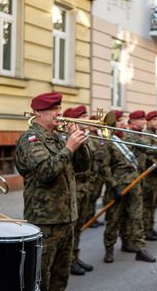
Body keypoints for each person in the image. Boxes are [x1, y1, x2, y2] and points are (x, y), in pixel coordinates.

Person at [14, 92, 88, 291]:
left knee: (60, 278)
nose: (59, 113)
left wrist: (80, 144)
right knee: (40, 279)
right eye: (53, 109)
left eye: (59, 108)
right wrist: (69, 148)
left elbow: (83, 166)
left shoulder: (57, 138)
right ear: (38, 112)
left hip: (66, 217)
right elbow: (45, 172)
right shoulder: (30, 139)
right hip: (45, 221)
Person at [96, 110, 156, 263]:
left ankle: (140, 248)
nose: (122, 123)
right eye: (118, 121)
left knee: (136, 216)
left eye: (122, 120)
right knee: (114, 219)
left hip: (134, 183)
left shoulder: (127, 137)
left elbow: (143, 149)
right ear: (111, 123)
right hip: (118, 186)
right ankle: (109, 250)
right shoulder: (106, 141)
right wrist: (113, 186)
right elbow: (104, 167)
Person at [67, 105, 95, 276]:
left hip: (85, 186)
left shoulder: (86, 136)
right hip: (74, 186)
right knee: (72, 227)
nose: (88, 118)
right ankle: (69, 260)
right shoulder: (69, 137)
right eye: (83, 116)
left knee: (79, 227)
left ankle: (75, 256)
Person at [141, 110, 157, 240]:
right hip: (150, 174)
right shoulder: (146, 134)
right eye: (154, 120)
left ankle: (151, 227)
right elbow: (148, 151)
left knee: (154, 203)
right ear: (148, 121)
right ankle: (146, 229)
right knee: (148, 204)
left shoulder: (156, 134)